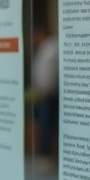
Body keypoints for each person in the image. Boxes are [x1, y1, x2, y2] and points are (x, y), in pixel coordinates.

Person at [32, 26, 59, 171]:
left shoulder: (52, 48)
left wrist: (45, 90)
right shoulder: (44, 48)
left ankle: (46, 157)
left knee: (47, 127)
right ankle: (44, 156)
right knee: (43, 126)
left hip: (48, 94)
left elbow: (50, 73)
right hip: (42, 93)